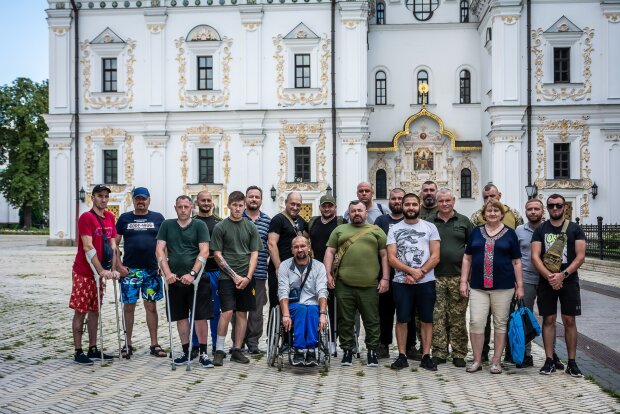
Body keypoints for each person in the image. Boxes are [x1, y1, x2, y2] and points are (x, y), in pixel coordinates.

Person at [459, 198, 524, 374]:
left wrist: (520, 286)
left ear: (502, 214)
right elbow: (467, 258)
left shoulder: (510, 234)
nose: (492, 213)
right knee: (476, 322)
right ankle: (477, 360)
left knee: (500, 323)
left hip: (504, 287)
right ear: (484, 214)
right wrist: (463, 281)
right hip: (478, 286)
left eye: (496, 211)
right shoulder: (476, 232)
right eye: (489, 211)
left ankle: (496, 361)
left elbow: (517, 262)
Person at [323, 200, 389, 367]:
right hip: (344, 285)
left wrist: (385, 278)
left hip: (369, 285)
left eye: (360, 210)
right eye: (353, 211)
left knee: (372, 320)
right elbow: (330, 252)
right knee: (345, 320)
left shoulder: (376, 231)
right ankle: (347, 351)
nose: (357, 214)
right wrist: (327, 274)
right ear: (349, 213)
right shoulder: (339, 230)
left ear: (366, 213)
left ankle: (372, 352)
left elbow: (384, 256)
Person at [531, 194, 586, 377]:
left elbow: (580, 256)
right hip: (547, 281)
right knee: (549, 319)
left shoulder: (575, 229)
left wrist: (562, 275)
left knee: (570, 320)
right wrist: (549, 277)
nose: (555, 209)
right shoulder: (541, 229)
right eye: (551, 206)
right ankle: (549, 360)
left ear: (564, 207)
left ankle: (572, 362)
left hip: (569, 279)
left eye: (558, 205)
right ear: (547, 208)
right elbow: (535, 256)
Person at [156, 195, 213, 368]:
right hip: (174, 280)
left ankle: (203, 352)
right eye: (180, 207)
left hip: (196, 280)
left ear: (191, 208)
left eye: (186, 207)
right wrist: (167, 273)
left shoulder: (199, 225)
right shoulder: (167, 225)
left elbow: (204, 251)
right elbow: (160, 249)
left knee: (200, 316)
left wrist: (193, 273)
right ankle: (186, 350)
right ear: (175, 208)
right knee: (180, 316)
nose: (183, 210)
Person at [387, 193, 440, 371]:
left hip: (426, 281)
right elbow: (391, 258)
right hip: (401, 282)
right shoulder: (394, 229)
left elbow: (435, 255)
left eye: (413, 204)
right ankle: (402, 355)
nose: (410, 208)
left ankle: (426, 355)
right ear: (402, 206)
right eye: (407, 204)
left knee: (426, 319)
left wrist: (420, 273)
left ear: (419, 206)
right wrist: (410, 272)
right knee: (402, 319)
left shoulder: (430, 227)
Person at [210, 191, 262, 366]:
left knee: (242, 313)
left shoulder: (250, 227)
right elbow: (217, 255)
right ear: (228, 206)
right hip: (226, 277)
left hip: (247, 278)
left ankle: (237, 350)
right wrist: (235, 276)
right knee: (227, 312)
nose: (238, 208)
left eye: (241, 205)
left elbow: (255, 254)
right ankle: (219, 350)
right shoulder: (221, 227)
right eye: (235, 205)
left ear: (244, 206)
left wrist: (247, 277)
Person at [70, 184, 119, 365]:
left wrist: (113, 269)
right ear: (93, 197)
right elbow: (87, 246)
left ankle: (92, 348)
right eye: (100, 196)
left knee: (95, 310)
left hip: (101, 273)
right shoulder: (86, 217)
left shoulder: (109, 217)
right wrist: (100, 270)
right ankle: (78, 350)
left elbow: (113, 246)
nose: (104, 199)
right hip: (84, 272)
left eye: (106, 196)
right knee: (80, 311)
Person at [114, 187, 166, 358]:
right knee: (128, 307)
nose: (141, 202)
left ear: (149, 200)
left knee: (151, 307)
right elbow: (114, 245)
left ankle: (154, 343)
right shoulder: (124, 218)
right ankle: (127, 344)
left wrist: (164, 265)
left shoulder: (158, 218)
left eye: (144, 199)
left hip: (152, 271)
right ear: (133, 200)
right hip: (130, 272)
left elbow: (165, 244)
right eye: (138, 199)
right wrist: (118, 266)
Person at [515, 198, 564, 369]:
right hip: (526, 278)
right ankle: (525, 354)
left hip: (547, 280)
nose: (533, 212)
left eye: (537, 209)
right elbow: (515, 257)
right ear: (526, 211)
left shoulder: (550, 229)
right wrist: (517, 281)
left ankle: (552, 354)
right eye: (530, 209)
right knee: (525, 316)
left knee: (549, 318)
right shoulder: (519, 231)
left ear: (542, 211)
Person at [427, 188, 473, 367]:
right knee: (437, 316)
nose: (445, 204)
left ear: (454, 201)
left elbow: (471, 249)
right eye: (441, 201)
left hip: (458, 277)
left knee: (458, 316)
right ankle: (439, 351)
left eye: (448, 200)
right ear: (437, 202)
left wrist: (467, 278)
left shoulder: (464, 221)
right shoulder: (429, 222)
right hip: (434, 276)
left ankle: (459, 353)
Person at [373, 188, 413, 360]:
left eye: (400, 199)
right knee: (385, 312)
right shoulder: (381, 221)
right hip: (386, 275)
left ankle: (410, 346)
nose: (397, 201)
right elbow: (375, 247)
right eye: (394, 198)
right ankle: (384, 344)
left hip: (407, 276)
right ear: (389, 201)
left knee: (408, 312)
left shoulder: (411, 221)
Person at [278, 236, 329, 367]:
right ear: (292, 250)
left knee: (311, 309)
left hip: (313, 304)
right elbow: (283, 291)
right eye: (296, 247)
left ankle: (311, 350)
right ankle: (299, 350)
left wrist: (323, 314)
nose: (300, 249)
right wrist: (285, 315)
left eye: (303, 246)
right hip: (294, 305)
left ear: (309, 247)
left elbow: (322, 291)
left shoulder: (319, 266)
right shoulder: (285, 266)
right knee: (302, 309)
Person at [307, 194, 344, 353]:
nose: (327, 208)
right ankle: (315, 338)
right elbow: (304, 239)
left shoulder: (341, 223)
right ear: (320, 207)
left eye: (330, 206)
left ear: (335, 207)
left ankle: (332, 341)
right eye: (324, 206)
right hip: (315, 270)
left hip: (336, 271)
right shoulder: (313, 222)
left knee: (334, 307)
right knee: (315, 304)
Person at [191, 190, 222, 357]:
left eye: (208, 200)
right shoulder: (191, 222)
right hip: (196, 272)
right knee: (195, 310)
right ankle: (195, 344)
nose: (206, 203)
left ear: (213, 203)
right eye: (202, 200)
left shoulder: (220, 222)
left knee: (216, 311)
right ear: (197, 202)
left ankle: (217, 344)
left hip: (215, 271)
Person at [242, 186, 271, 354]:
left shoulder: (267, 221)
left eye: (257, 197)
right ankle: (238, 341)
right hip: (237, 273)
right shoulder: (237, 219)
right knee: (238, 310)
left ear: (261, 200)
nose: (253, 199)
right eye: (251, 196)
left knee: (256, 311)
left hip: (259, 273)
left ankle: (253, 342)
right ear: (246, 199)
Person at [267, 192, 307, 309]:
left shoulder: (300, 220)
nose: (295, 207)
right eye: (292, 204)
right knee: (277, 304)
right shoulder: (278, 219)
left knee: (295, 303)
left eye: (298, 205)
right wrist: (279, 267)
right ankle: (275, 327)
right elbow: (271, 243)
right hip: (280, 269)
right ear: (286, 203)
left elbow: (308, 236)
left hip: (296, 269)